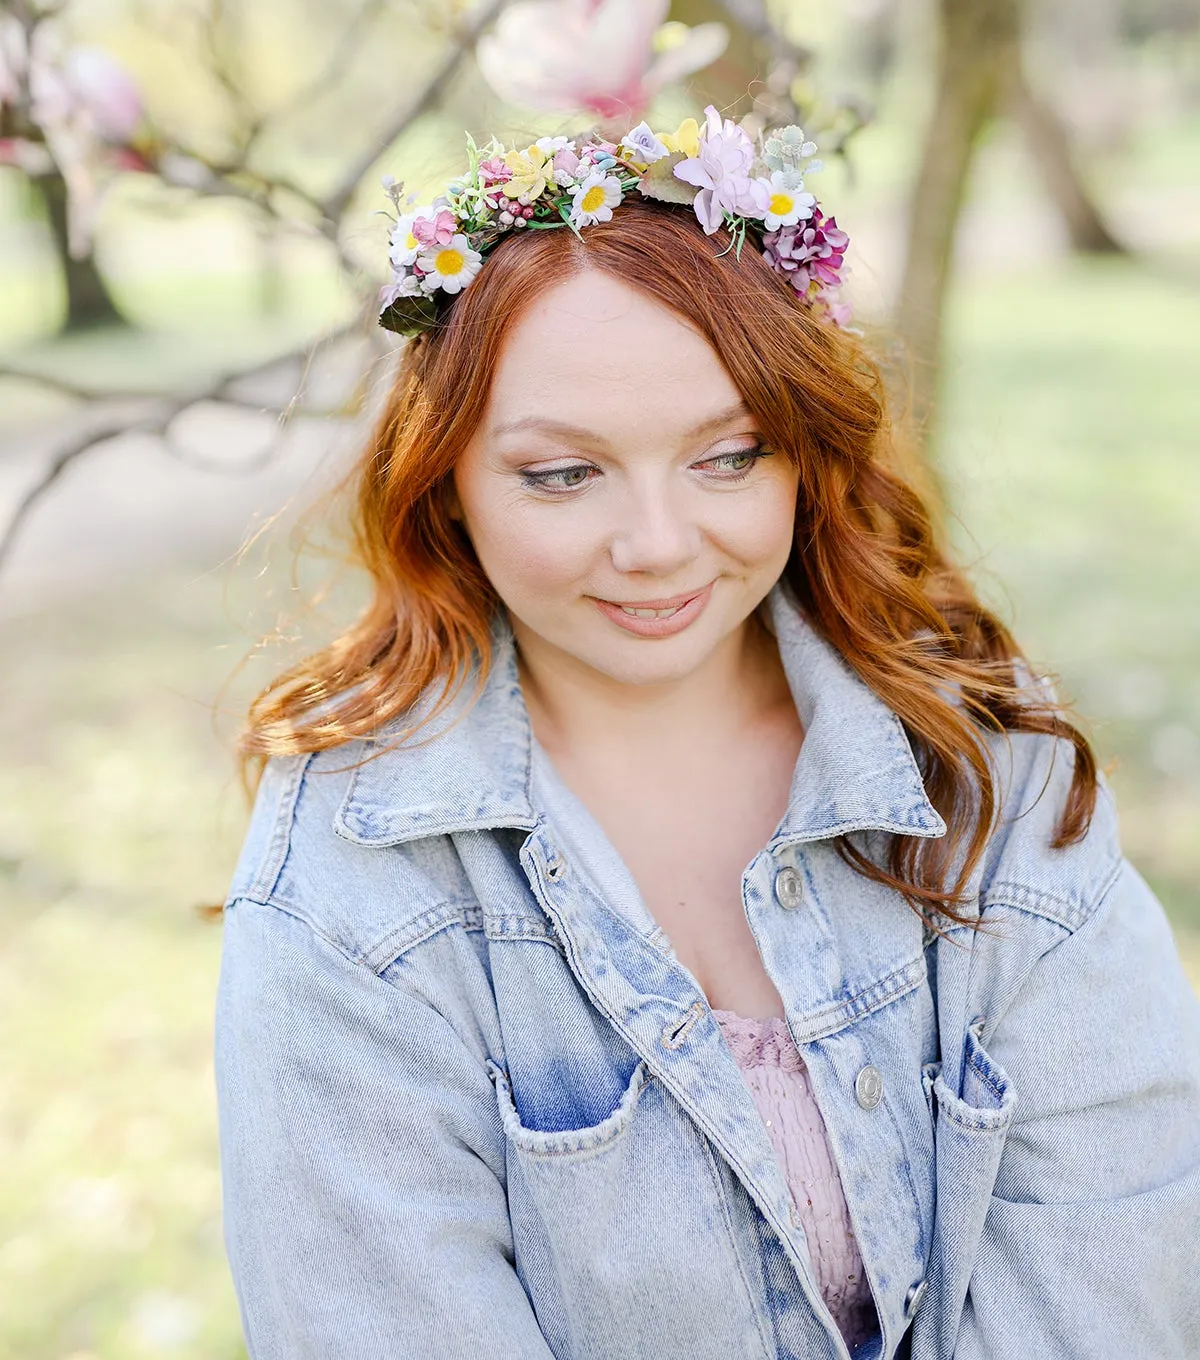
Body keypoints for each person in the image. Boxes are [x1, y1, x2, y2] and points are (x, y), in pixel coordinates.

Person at [215, 109, 1200, 1360]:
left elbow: (1113, 1286)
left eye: (728, 456)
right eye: (564, 475)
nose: (660, 545)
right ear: (446, 480)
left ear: (805, 453)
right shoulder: (349, 893)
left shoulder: (992, 774)